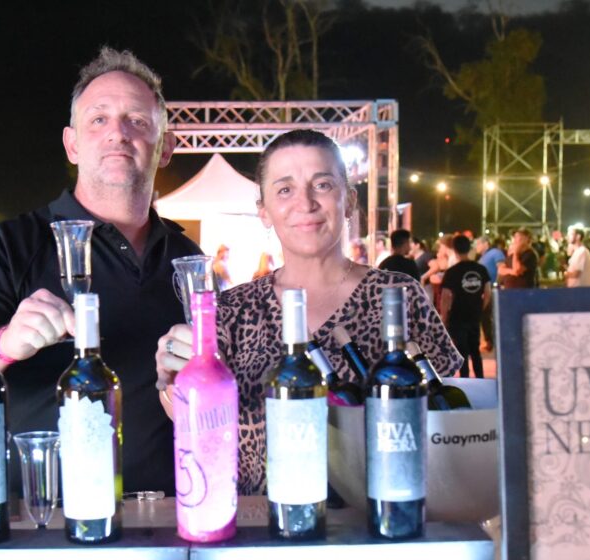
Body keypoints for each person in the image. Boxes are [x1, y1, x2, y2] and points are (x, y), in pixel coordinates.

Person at [0, 47, 201, 495]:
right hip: (46, 521)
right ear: (72, 144)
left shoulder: (188, 258)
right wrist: (3, 345)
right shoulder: (12, 247)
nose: (117, 133)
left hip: (166, 516)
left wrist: (186, 385)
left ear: (166, 146)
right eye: (98, 119)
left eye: (137, 121)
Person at [155, 130, 461, 495]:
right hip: (261, 522)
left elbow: (449, 424)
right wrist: (172, 383)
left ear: (349, 200)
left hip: (383, 517)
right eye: (285, 189)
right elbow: (196, 421)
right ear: (264, 211)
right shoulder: (232, 311)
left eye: (322, 185)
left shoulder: (398, 297)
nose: (306, 202)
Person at [440, 234, 490, 378]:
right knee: (475, 350)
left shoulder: (452, 272)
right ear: (469, 249)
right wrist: (480, 309)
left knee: (462, 352)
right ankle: (480, 379)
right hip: (474, 314)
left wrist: (444, 317)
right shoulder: (481, 269)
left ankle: (465, 380)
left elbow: (445, 297)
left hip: (457, 315)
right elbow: (487, 293)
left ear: (455, 250)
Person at [474, 235, 504, 351]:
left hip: (492, 288)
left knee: (490, 315)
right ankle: (489, 341)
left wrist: (496, 284)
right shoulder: (482, 257)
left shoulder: (495, 253)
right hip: (485, 289)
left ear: (486, 243)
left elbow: (501, 268)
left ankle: (493, 341)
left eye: (478, 244)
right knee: (485, 315)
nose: (476, 247)